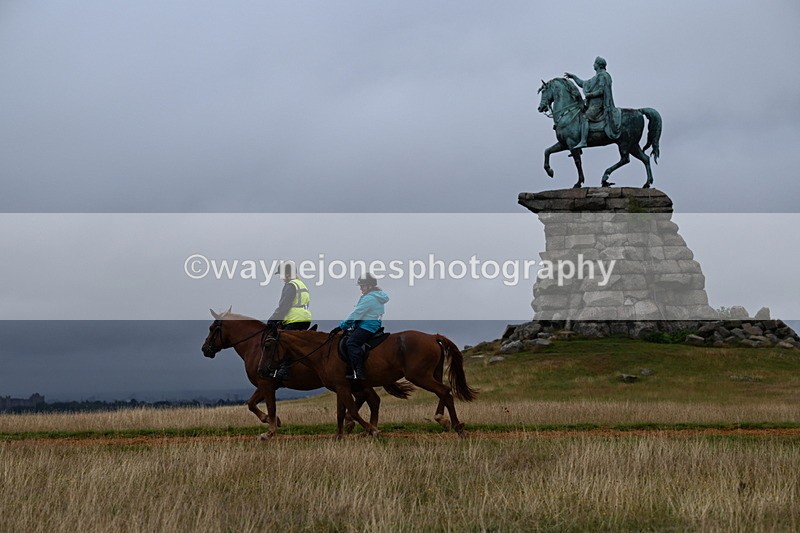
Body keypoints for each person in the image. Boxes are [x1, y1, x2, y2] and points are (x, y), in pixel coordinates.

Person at [339, 274, 389, 381]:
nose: (361, 288)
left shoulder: (369, 298)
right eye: (360, 286)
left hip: (367, 326)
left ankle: (358, 372)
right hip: (370, 324)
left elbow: (356, 313)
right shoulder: (374, 296)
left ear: (370, 286)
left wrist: (343, 326)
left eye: (363, 286)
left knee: (351, 343)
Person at [564, 56, 621, 149]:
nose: (593, 65)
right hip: (592, 105)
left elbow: (601, 91)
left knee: (585, 117)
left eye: (594, 63)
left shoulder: (603, 76)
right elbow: (583, 84)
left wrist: (590, 95)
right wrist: (574, 77)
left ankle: (583, 141)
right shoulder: (596, 77)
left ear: (598, 65)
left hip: (598, 105)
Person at [267, 261, 311, 331]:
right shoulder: (301, 285)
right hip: (306, 319)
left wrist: (272, 320)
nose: (281, 278)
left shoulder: (290, 285)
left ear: (287, 274)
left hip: (294, 319)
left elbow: (284, 306)